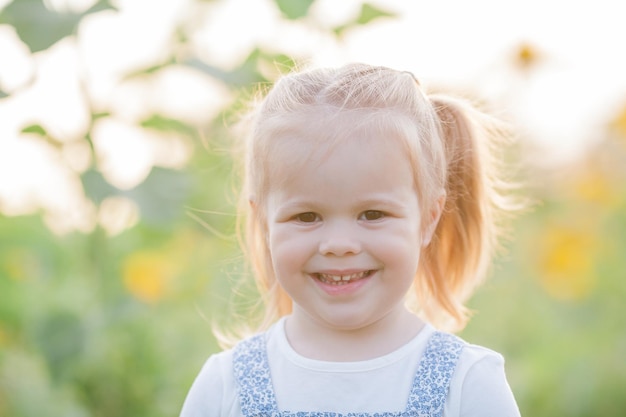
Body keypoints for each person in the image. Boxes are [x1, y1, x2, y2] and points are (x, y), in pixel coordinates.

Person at [180, 63, 521, 416]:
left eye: (372, 215)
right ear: (264, 223)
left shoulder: (466, 385)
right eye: (306, 216)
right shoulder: (226, 386)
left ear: (428, 219)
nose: (339, 244)